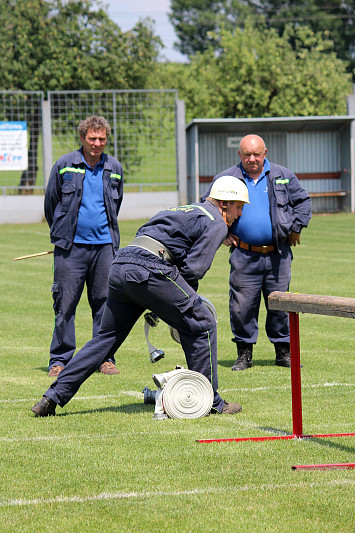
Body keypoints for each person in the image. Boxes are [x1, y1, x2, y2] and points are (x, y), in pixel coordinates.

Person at [31, 176, 250, 417]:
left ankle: (51, 397)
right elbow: (193, 269)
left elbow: (146, 233)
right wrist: (182, 303)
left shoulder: (184, 208)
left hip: (122, 264)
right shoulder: (216, 221)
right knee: (203, 323)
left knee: (105, 340)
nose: (238, 214)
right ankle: (210, 402)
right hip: (150, 269)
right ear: (224, 204)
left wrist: (164, 301)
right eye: (238, 207)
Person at [201, 134, 311, 371]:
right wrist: (222, 233)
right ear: (239, 155)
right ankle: (244, 355)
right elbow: (207, 206)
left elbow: (303, 202)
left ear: (265, 153)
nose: (252, 159)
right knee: (242, 306)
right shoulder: (226, 179)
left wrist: (295, 228)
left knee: (280, 304)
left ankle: (283, 353)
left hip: (277, 254)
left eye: (256, 154)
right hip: (244, 255)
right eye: (247, 154)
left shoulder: (283, 176)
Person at [44, 115, 123, 377]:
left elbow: (117, 203)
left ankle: (104, 358)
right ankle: (59, 359)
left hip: (104, 249)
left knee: (105, 304)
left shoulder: (114, 167)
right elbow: (51, 204)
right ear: (82, 138)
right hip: (71, 249)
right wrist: (63, 234)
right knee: (65, 304)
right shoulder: (65, 165)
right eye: (92, 138)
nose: (97, 143)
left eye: (102, 138)